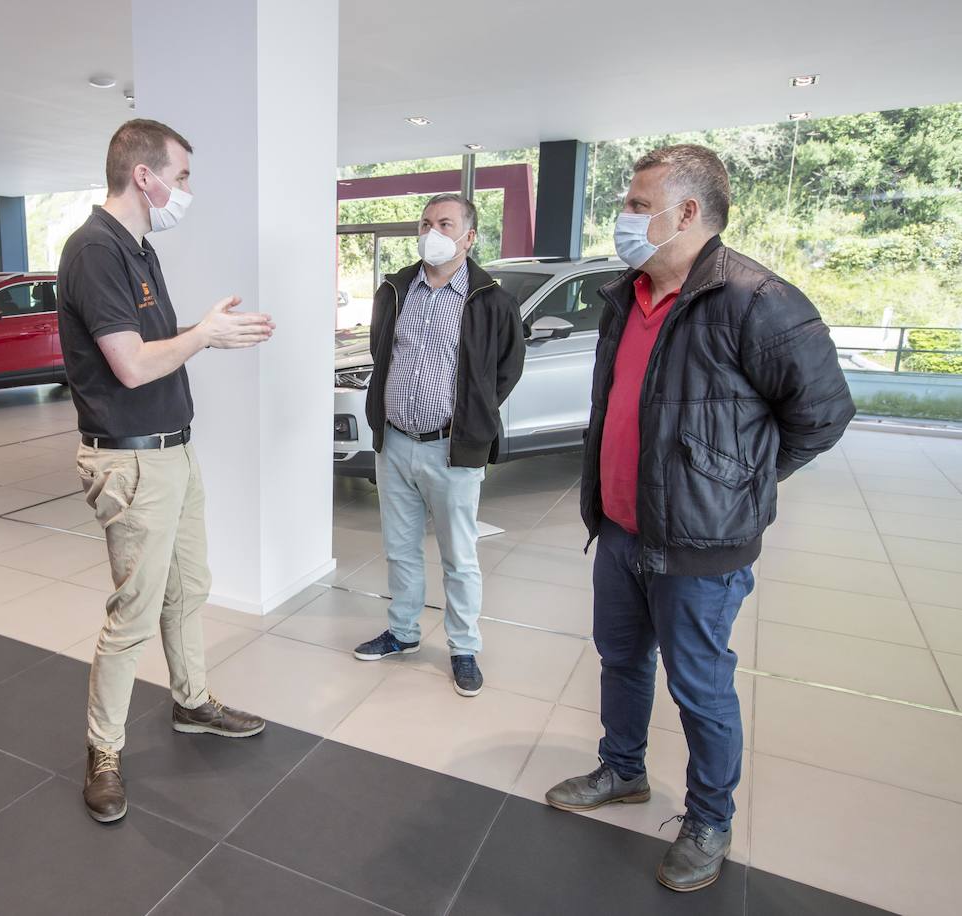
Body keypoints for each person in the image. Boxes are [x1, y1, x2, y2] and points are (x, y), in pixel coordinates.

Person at [544, 145, 854, 891]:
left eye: (635, 204)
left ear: (687, 213)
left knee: (700, 687)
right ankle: (622, 769)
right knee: (621, 659)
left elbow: (823, 415)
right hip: (620, 528)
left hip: (700, 543)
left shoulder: (759, 300)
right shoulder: (628, 295)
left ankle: (709, 817)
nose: (622, 218)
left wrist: (738, 483)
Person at [57, 118, 275, 824]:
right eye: (180, 176)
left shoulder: (136, 248)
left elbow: (157, 349)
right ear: (144, 176)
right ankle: (104, 752)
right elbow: (129, 365)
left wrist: (201, 335)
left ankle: (191, 702)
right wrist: (204, 336)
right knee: (134, 613)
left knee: (189, 586)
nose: (186, 190)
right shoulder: (95, 251)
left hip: (173, 451)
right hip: (131, 462)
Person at [351, 193, 526, 697]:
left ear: (469, 237)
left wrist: (473, 414)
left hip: (452, 447)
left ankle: (464, 647)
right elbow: (382, 350)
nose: (433, 230)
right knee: (400, 549)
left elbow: (507, 369)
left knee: (459, 556)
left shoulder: (492, 299)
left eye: (445, 223)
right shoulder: (396, 289)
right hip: (395, 443)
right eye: (427, 222)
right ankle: (403, 632)